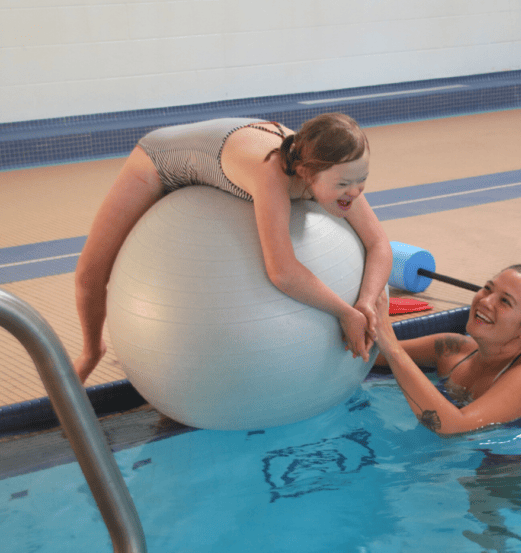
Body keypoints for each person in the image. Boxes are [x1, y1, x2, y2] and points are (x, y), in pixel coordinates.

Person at [74, 113, 392, 383]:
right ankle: (91, 351)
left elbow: (378, 243)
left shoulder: (338, 167)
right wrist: (344, 312)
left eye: (361, 179)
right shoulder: (273, 175)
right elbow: (281, 271)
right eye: (343, 185)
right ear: (308, 173)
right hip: (160, 160)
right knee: (89, 272)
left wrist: (365, 301)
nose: (354, 192)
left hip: (225, 149)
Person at [373, 264, 521, 438]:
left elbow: (452, 427)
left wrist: (390, 344)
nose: (486, 301)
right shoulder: (452, 350)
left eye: (505, 301)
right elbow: (369, 352)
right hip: (499, 454)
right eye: (487, 289)